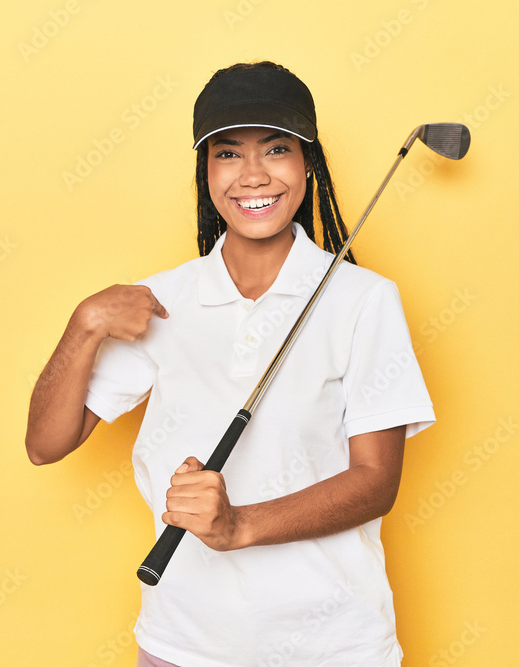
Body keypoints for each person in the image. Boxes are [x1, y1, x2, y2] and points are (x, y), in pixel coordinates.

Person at [26, 61, 435, 666]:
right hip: (183, 645)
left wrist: (239, 524)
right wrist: (83, 325)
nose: (252, 175)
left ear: (308, 165)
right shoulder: (160, 303)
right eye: (227, 154)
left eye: (276, 149)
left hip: (334, 646)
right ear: (206, 171)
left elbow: (375, 481)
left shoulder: (363, 300)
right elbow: (45, 444)